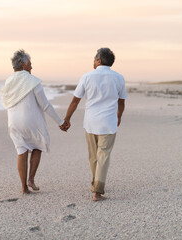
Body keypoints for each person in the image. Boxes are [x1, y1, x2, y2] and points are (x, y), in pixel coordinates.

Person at [61, 48, 127, 201]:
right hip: (109, 122)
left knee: (93, 156)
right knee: (103, 155)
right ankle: (97, 190)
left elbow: (75, 100)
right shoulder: (119, 78)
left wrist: (67, 119)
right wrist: (119, 116)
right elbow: (121, 102)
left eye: (94, 59)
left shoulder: (87, 76)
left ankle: (95, 184)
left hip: (91, 122)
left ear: (98, 60)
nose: (93, 61)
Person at [0, 49, 65, 194]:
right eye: (30, 64)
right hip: (31, 121)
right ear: (23, 64)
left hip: (13, 122)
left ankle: (24, 188)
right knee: (37, 145)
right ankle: (31, 179)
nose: (31, 67)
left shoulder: (9, 80)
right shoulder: (32, 80)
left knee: (21, 151)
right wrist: (60, 121)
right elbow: (45, 105)